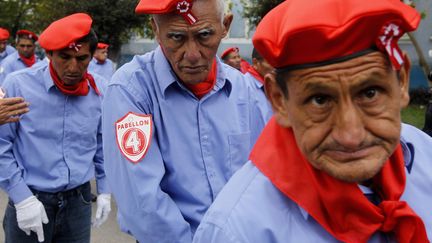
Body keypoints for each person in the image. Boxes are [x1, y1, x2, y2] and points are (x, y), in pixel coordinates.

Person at [193, 0, 432, 242]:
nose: (351, 135)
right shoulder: (239, 230)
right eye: (320, 100)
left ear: (401, 82)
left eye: (370, 94)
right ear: (278, 100)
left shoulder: (426, 157)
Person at [101, 0, 266, 242]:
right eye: (176, 37)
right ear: (155, 30)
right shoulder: (131, 91)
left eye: (205, 35)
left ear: (226, 25)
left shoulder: (243, 91)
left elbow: (259, 179)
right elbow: (143, 204)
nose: (192, 54)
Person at [0, 13, 111, 243]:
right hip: (31, 197)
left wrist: (105, 189)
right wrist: (21, 197)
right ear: (49, 53)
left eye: (82, 58)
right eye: (64, 57)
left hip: (78, 203)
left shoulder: (100, 91)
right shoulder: (18, 85)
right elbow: (2, 145)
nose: (73, 67)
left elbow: (102, 144)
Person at [244, 48, 274, 122]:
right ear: (255, 63)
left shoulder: (273, 83)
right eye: (271, 62)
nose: (276, 67)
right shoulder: (244, 87)